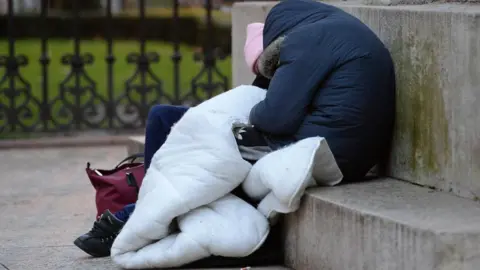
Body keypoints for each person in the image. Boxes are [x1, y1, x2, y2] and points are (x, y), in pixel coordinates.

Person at [75, 0, 396, 258]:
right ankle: (149, 201)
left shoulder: (306, 41)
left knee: (211, 149)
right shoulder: (332, 32)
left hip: (323, 149)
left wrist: (246, 112)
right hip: (341, 149)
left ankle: (134, 216)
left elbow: (274, 118)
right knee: (167, 119)